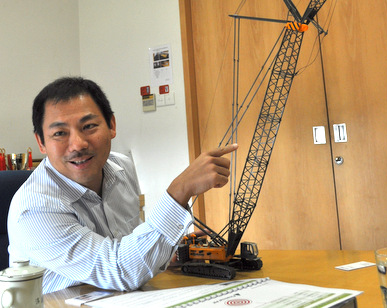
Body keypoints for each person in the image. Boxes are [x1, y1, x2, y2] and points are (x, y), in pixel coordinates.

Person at [7, 77, 236, 294]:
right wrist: (180, 190)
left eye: (89, 126)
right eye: (59, 133)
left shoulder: (121, 167)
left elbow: (128, 244)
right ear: (41, 143)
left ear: (112, 125)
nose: (78, 144)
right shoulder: (34, 208)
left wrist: (166, 251)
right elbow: (119, 270)